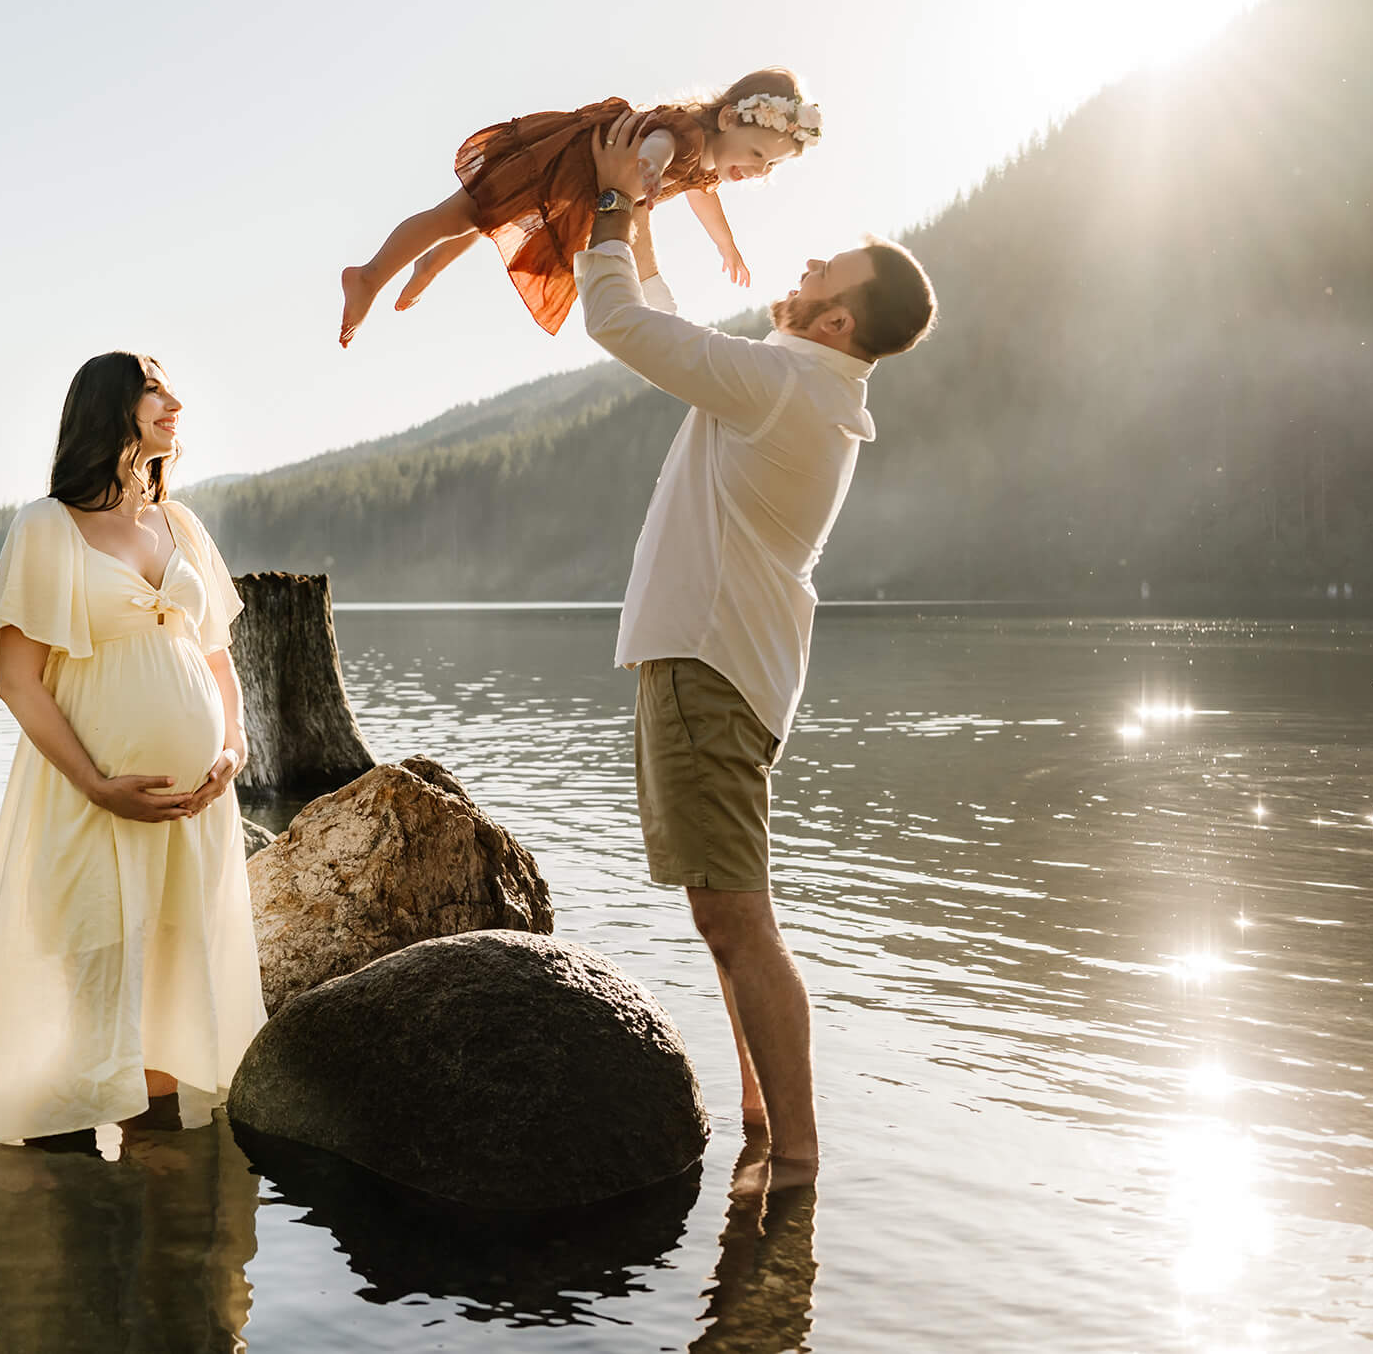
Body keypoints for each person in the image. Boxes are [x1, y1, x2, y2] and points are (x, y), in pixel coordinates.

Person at [578, 110, 937, 1192]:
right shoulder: (801, 385)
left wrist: (607, 202)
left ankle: (796, 1159)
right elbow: (676, 330)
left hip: (710, 669)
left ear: (833, 320)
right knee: (722, 911)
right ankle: (760, 1119)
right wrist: (643, 220)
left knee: (737, 915)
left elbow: (622, 326)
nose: (808, 259)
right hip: (721, 667)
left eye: (827, 266)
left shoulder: (786, 385)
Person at [0, 351, 265, 1145]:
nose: (176, 402)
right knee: (92, 1004)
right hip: (93, 808)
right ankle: (71, 1208)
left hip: (196, 812)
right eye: (156, 387)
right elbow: (20, 681)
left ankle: (164, 1208)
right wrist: (96, 784)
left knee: (169, 1006)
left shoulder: (180, 523)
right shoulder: (46, 527)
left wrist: (233, 746)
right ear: (110, 407)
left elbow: (218, 659)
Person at [338, 67, 823, 345]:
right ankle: (370, 275)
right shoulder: (688, 136)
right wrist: (651, 167)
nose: (759, 170)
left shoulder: (706, 163)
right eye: (758, 154)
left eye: (771, 167)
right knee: (461, 213)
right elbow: (659, 144)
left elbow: (703, 197)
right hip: (564, 163)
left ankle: (428, 265)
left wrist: (727, 244)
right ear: (729, 118)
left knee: (487, 215)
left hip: (579, 180)